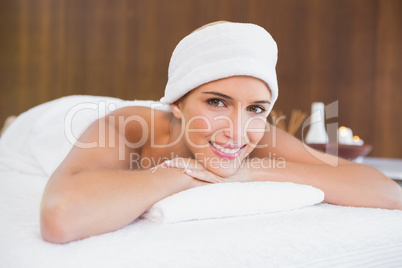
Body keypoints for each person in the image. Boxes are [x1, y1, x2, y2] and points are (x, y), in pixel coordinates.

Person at [40, 21, 402, 244]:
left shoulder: (256, 138)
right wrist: (180, 174)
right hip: (50, 120)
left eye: (256, 108)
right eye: (216, 102)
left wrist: (249, 171)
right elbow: (61, 217)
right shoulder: (125, 128)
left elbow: (388, 192)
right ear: (176, 104)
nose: (237, 132)